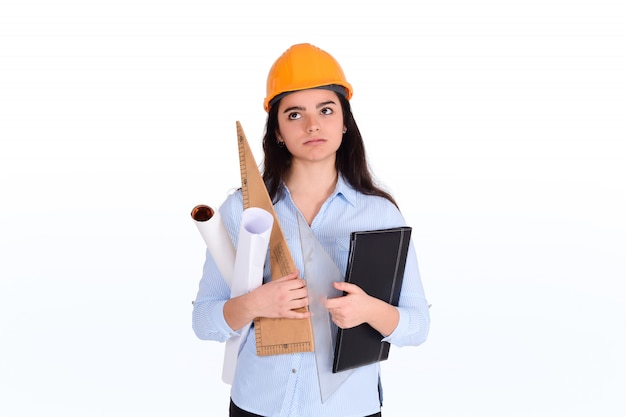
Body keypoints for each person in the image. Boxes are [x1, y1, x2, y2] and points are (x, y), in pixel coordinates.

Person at [192, 43, 430, 417]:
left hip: (349, 408)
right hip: (259, 404)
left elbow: (416, 327)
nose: (312, 124)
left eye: (326, 110)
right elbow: (204, 321)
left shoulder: (380, 215)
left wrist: (367, 310)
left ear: (345, 121)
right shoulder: (244, 208)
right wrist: (257, 304)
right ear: (278, 133)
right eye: (294, 114)